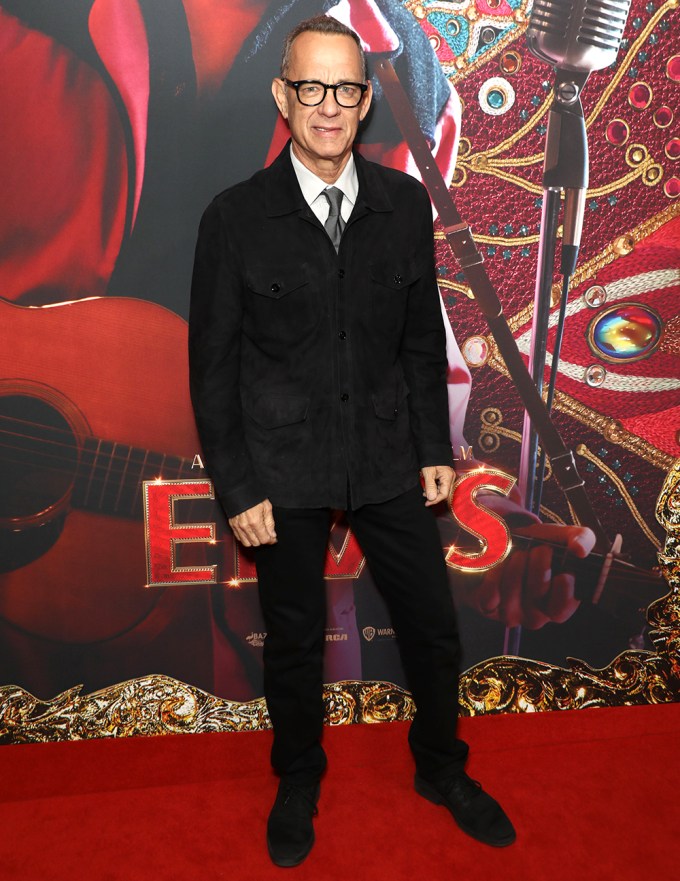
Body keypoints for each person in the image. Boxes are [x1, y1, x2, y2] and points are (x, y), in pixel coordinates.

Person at [189, 16, 518, 867]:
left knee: (432, 628)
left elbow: (419, 340)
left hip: (387, 458)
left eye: (345, 88)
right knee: (295, 640)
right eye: (311, 87)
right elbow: (212, 371)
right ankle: (298, 778)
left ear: (366, 100)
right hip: (283, 469)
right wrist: (237, 488)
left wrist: (434, 449)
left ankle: (441, 767)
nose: (329, 106)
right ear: (283, 94)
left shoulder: (403, 205)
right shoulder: (233, 218)